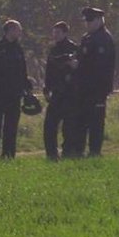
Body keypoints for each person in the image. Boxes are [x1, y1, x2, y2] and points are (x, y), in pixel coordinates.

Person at [69, 7, 116, 157]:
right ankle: (79, 150)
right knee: (81, 120)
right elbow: (81, 55)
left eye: (90, 21)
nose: (87, 24)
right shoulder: (87, 37)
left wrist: (79, 65)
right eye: (86, 21)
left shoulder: (104, 39)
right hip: (83, 87)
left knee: (95, 121)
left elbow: (100, 66)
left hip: (97, 88)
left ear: (98, 20)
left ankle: (95, 151)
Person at [0, 20, 30, 160]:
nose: (20, 33)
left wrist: (26, 87)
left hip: (14, 96)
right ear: (10, 30)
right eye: (18, 30)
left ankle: (8, 156)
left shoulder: (18, 50)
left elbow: (22, 71)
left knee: (11, 128)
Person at [43, 21, 78, 161]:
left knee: (69, 126)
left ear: (64, 33)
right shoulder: (53, 50)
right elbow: (49, 72)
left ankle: (68, 152)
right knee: (50, 125)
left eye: (57, 32)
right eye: (54, 32)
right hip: (56, 92)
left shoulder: (74, 48)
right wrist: (46, 88)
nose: (55, 35)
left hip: (69, 93)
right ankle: (51, 153)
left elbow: (78, 69)